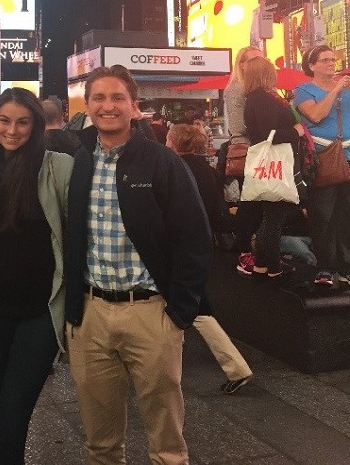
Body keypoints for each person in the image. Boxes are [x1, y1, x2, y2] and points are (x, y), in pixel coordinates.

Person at [65, 65, 212, 464]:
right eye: (99, 98)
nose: (108, 106)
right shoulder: (79, 162)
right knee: (100, 444)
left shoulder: (163, 162)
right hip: (91, 315)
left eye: (118, 98)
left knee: (166, 445)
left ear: (134, 106)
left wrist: (179, 312)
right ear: (87, 106)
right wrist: (73, 313)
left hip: (150, 313)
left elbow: (195, 238)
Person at [0, 87, 73, 464]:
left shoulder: (57, 166)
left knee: (13, 410)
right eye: (5, 121)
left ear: (36, 125)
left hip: (40, 311)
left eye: (23, 122)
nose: (12, 130)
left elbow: (76, 232)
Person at [166, 124, 253, 394]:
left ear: (175, 143)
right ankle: (235, 368)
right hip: (201, 245)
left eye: (168, 139)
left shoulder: (173, 169)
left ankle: (236, 368)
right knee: (195, 304)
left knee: (193, 307)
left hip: (178, 246)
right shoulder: (207, 171)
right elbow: (217, 211)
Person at [243, 56, 304, 279]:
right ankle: (273, 267)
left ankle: (262, 265)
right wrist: (295, 131)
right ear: (265, 74)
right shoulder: (263, 99)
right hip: (276, 163)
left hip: (268, 164)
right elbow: (268, 135)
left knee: (271, 215)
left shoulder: (254, 98)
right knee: (274, 217)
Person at [294, 45, 350, 286]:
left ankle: (346, 266)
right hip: (322, 158)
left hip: (348, 155)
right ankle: (325, 267)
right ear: (311, 65)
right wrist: (336, 89)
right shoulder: (303, 91)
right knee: (323, 215)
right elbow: (316, 115)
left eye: (333, 59)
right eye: (325, 60)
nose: (331, 63)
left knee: (346, 213)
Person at [223, 46, 264, 275]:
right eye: (253, 60)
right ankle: (244, 251)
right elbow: (239, 126)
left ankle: (252, 251)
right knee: (251, 203)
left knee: (258, 202)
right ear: (241, 65)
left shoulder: (253, 88)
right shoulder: (238, 88)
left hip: (257, 149)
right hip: (249, 150)